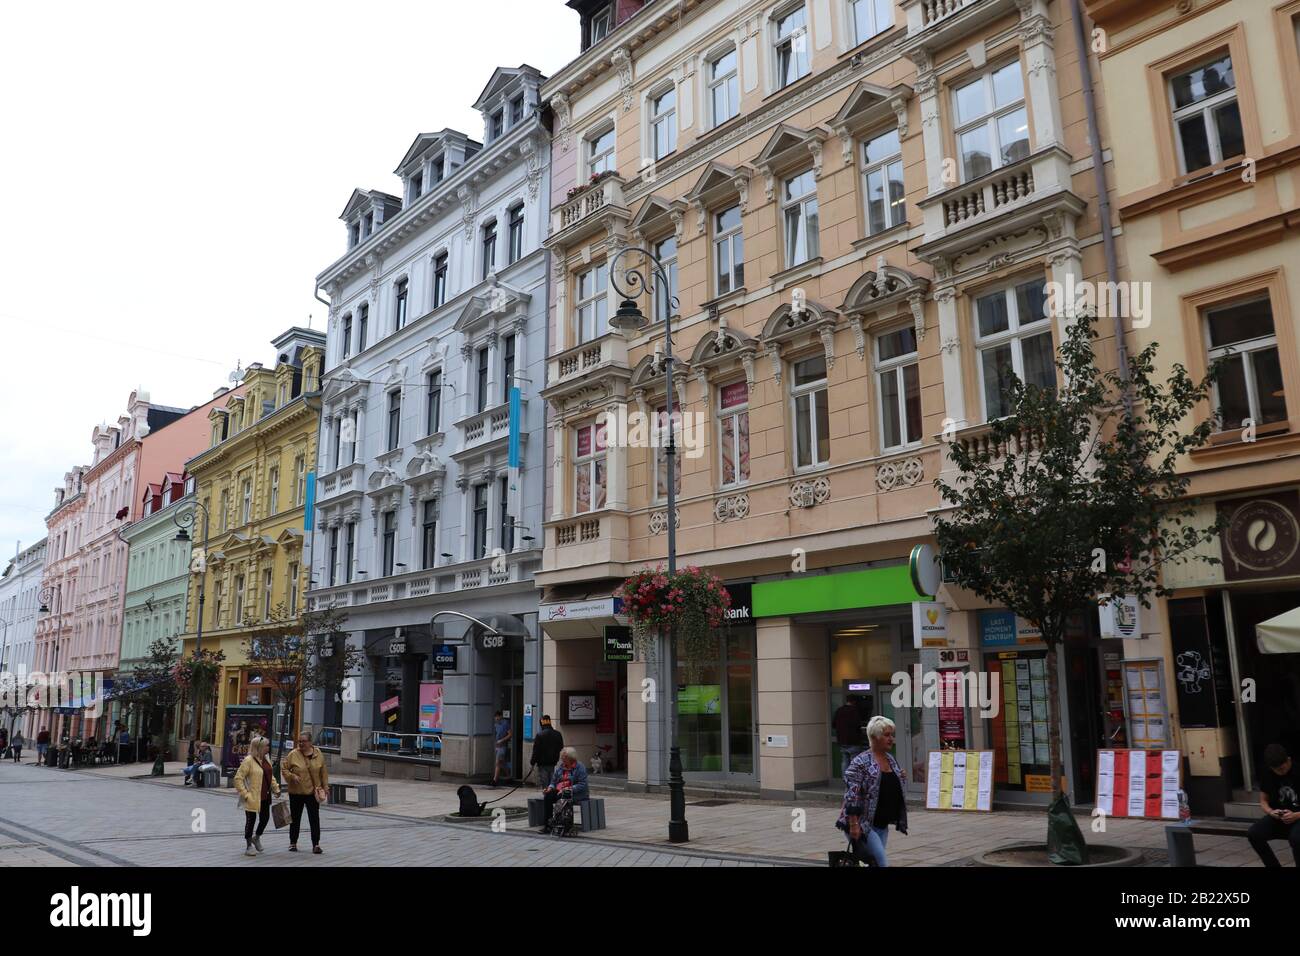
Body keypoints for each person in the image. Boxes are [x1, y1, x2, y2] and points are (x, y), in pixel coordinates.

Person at [837, 715, 908, 867]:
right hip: (863, 824)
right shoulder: (860, 762)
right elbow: (851, 796)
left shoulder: (890, 759)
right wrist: (854, 824)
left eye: (892, 735)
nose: (891, 739)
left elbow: (889, 785)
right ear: (875, 737)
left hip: (881, 824)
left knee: (872, 864)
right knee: (881, 863)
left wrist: (900, 776)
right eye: (887, 735)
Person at [1248, 743, 1300, 868]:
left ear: (1288, 760)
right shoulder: (1267, 774)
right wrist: (1271, 812)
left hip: (1299, 816)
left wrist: (1297, 815)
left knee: (1296, 839)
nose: (1280, 772)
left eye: (1282, 768)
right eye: (1276, 770)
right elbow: (1263, 801)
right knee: (1254, 833)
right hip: (1280, 817)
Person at [281, 731, 329, 854]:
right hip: (296, 792)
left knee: (314, 818)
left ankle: (316, 844)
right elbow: (284, 768)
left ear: (310, 742)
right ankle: (293, 843)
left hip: (313, 792)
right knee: (295, 819)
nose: (301, 743)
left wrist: (325, 786)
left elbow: (323, 772)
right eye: (299, 741)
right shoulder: (293, 754)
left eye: (303, 741)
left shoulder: (318, 754)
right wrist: (292, 776)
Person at [234, 736, 280, 857]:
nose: (268, 748)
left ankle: (257, 837)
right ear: (259, 747)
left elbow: (271, 776)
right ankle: (249, 845)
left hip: (265, 795)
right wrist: (245, 794)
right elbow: (238, 779)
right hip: (252, 796)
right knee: (251, 821)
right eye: (266, 745)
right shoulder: (248, 760)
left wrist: (276, 788)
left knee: (264, 819)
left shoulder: (267, 759)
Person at [540, 747, 589, 835]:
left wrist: (569, 788)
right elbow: (553, 781)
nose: (562, 759)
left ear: (571, 758)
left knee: (563, 796)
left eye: (564, 757)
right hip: (560, 790)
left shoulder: (580, 767)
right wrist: (550, 788)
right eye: (562, 757)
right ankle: (548, 825)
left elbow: (582, 784)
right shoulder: (561, 767)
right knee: (548, 796)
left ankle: (563, 824)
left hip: (576, 793)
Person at [833, 695, 865, 776]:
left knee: (845, 761)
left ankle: (846, 780)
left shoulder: (839, 710)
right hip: (853, 741)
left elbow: (833, 724)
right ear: (854, 702)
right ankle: (853, 780)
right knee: (854, 761)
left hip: (842, 741)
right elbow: (858, 725)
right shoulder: (854, 711)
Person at [529, 715, 563, 789]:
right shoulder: (557, 734)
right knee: (553, 783)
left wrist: (532, 762)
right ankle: (551, 797)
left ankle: (547, 798)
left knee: (545, 784)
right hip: (553, 762)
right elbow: (561, 747)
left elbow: (536, 751)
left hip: (542, 764)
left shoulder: (539, 735)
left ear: (541, 724)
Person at [490, 710, 512, 787]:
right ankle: (509, 775)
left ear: (500, 716)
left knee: (498, 762)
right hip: (497, 745)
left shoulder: (505, 723)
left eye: (497, 717)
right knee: (502, 763)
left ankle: (495, 780)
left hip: (503, 746)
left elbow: (510, 734)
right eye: (495, 717)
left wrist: (501, 740)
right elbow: (496, 734)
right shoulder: (496, 724)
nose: (496, 718)